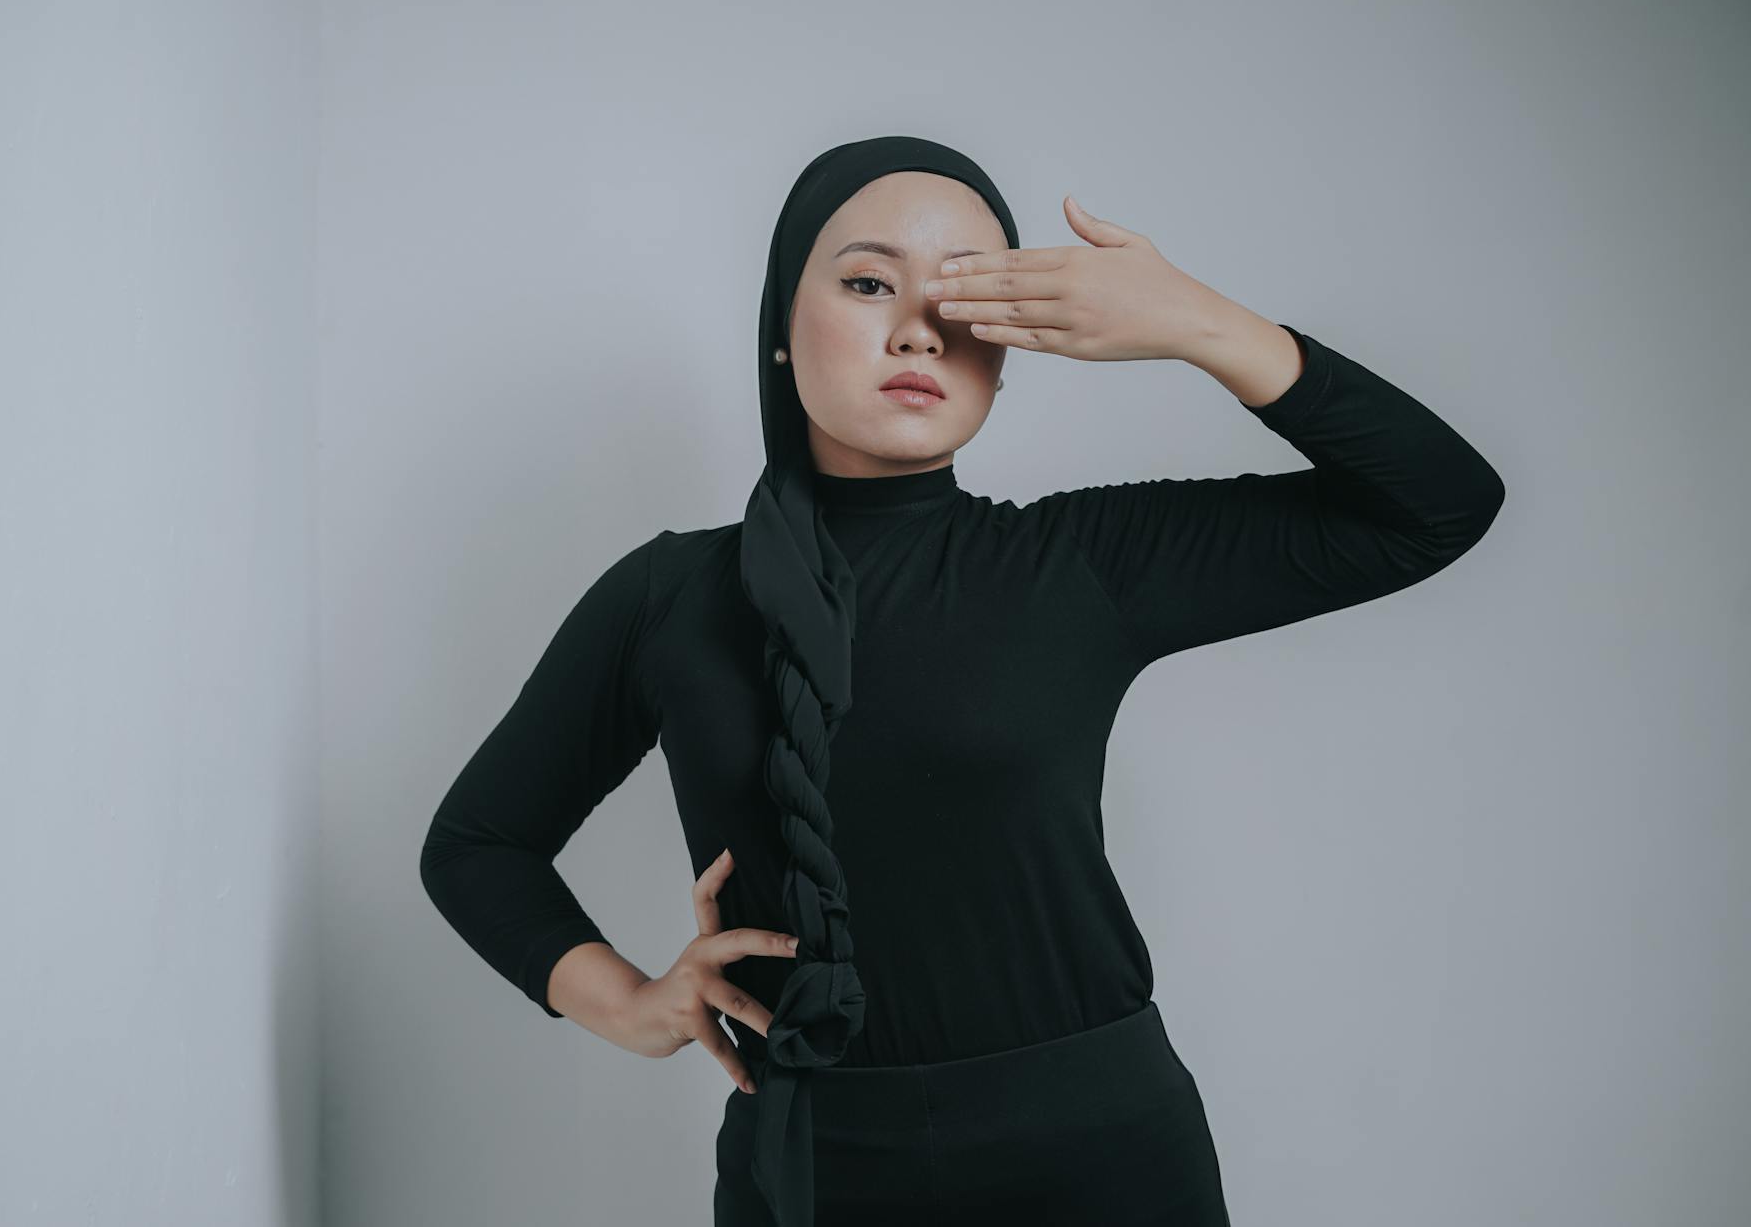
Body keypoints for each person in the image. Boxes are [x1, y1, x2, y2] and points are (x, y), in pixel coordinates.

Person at [418, 135, 1506, 1226]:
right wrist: (630, 1005)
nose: (915, 328)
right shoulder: (667, 596)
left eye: (963, 300)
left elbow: (1437, 503)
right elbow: (478, 845)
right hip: (808, 1169)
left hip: (1102, 1167)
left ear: (1005, 348)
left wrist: (1195, 323)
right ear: (780, 332)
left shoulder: (1079, 565)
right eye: (865, 281)